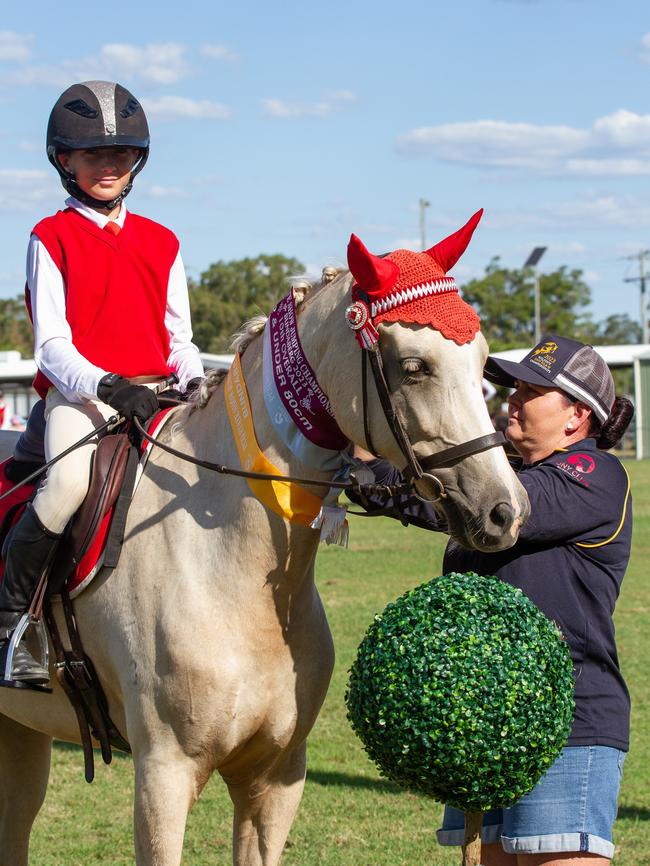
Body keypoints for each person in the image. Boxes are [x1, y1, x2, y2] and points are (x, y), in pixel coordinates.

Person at [350, 335, 634, 866]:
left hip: (572, 726)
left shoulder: (596, 475)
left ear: (575, 417)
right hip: (486, 728)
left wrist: (390, 483)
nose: (512, 401)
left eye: (531, 392)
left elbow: (503, 512)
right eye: (514, 389)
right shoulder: (498, 475)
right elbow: (428, 492)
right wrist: (362, 451)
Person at [0, 80, 204, 687]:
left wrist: (193, 383)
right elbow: (52, 345)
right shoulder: (50, 235)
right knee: (64, 484)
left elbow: (181, 339)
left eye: (121, 155)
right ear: (65, 160)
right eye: (94, 155)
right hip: (83, 397)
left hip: (157, 394)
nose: (109, 166)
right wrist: (110, 386)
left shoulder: (163, 240)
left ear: (137, 160)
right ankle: (13, 629)